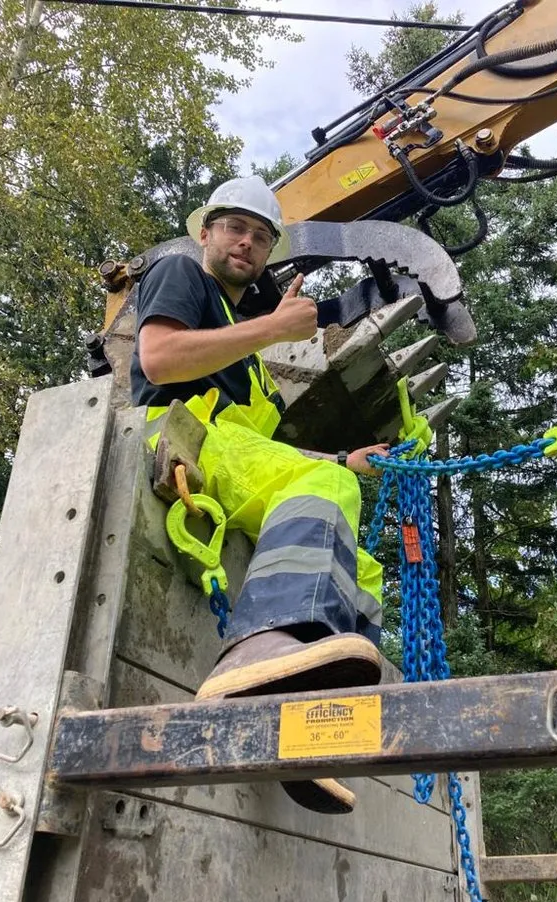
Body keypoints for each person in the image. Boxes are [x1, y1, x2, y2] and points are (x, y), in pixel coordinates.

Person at [130, 176, 389, 813]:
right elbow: (160, 360)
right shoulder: (179, 276)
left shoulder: (245, 344)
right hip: (181, 433)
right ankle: (260, 648)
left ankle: (314, 729)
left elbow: (260, 456)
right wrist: (273, 331)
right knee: (322, 486)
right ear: (205, 233)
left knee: (362, 563)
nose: (246, 242)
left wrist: (339, 458)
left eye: (261, 235)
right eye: (234, 228)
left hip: (228, 452)